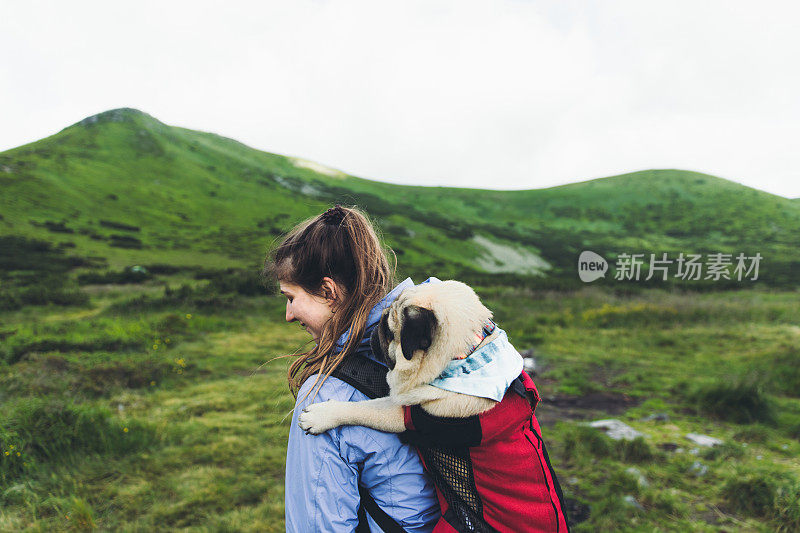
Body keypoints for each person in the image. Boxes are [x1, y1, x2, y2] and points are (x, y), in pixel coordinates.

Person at [265, 205, 440, 533]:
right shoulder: (434, 347)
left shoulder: (326, 397)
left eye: (291, 297)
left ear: (328, 292)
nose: (288, 314)